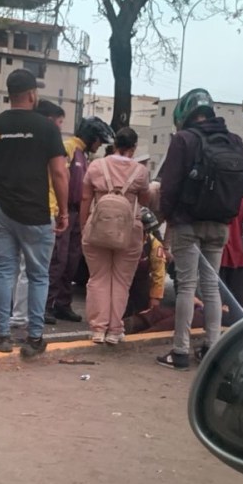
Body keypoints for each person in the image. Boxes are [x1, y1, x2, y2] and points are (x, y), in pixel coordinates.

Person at [157, 88, 243, 370]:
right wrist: (231, 196)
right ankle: (211, 348)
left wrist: (167, 216)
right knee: (211, 286)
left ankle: (179, 351)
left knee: (186, 287)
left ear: (184, 115)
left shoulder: (184, 140)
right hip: (220, 225)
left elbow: (168, 186)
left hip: (187, 223)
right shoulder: (233, 140)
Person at [0, 69, 69, 358]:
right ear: (31, 95)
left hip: (2, 210)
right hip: (36, 212)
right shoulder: (47, 128)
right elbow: (59, 174)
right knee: (39, 276)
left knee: (4, 271)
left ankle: (2, 335)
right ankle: (34, 338)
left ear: (9, 94)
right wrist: (64, 212)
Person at [80, 126, 151, 344]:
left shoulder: (95, 166)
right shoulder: (140, 171)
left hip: (98, 226)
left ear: (115, 144)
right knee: (121, 280)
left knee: (98, 278)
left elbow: (85, 198)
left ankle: (98, 329)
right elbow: (146, 201)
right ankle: (114, 330)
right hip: (129, 229)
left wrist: (84, 226)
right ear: (133, 147)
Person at [46, 116, 114, 324]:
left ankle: (62, 304)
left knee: (72, 260)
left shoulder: (83, 156)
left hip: (77, 213)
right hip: (63, 210)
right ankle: (46, 304)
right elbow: (56, 179)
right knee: (58, 260)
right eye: (99, 140)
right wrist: (59, 209)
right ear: (91, 137)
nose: (100, 145)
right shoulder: (68, 148)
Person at [10, 99, 66, 330]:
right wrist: (63, 211)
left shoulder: (21, 140)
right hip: (43, 211)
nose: (60, 127)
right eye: (59, 122)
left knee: (16, 268)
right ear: (49, 120)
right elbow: (59, 176)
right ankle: (31, 319)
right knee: (38, 271)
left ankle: (17, 315)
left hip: (16, 208)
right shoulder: (48, 140)